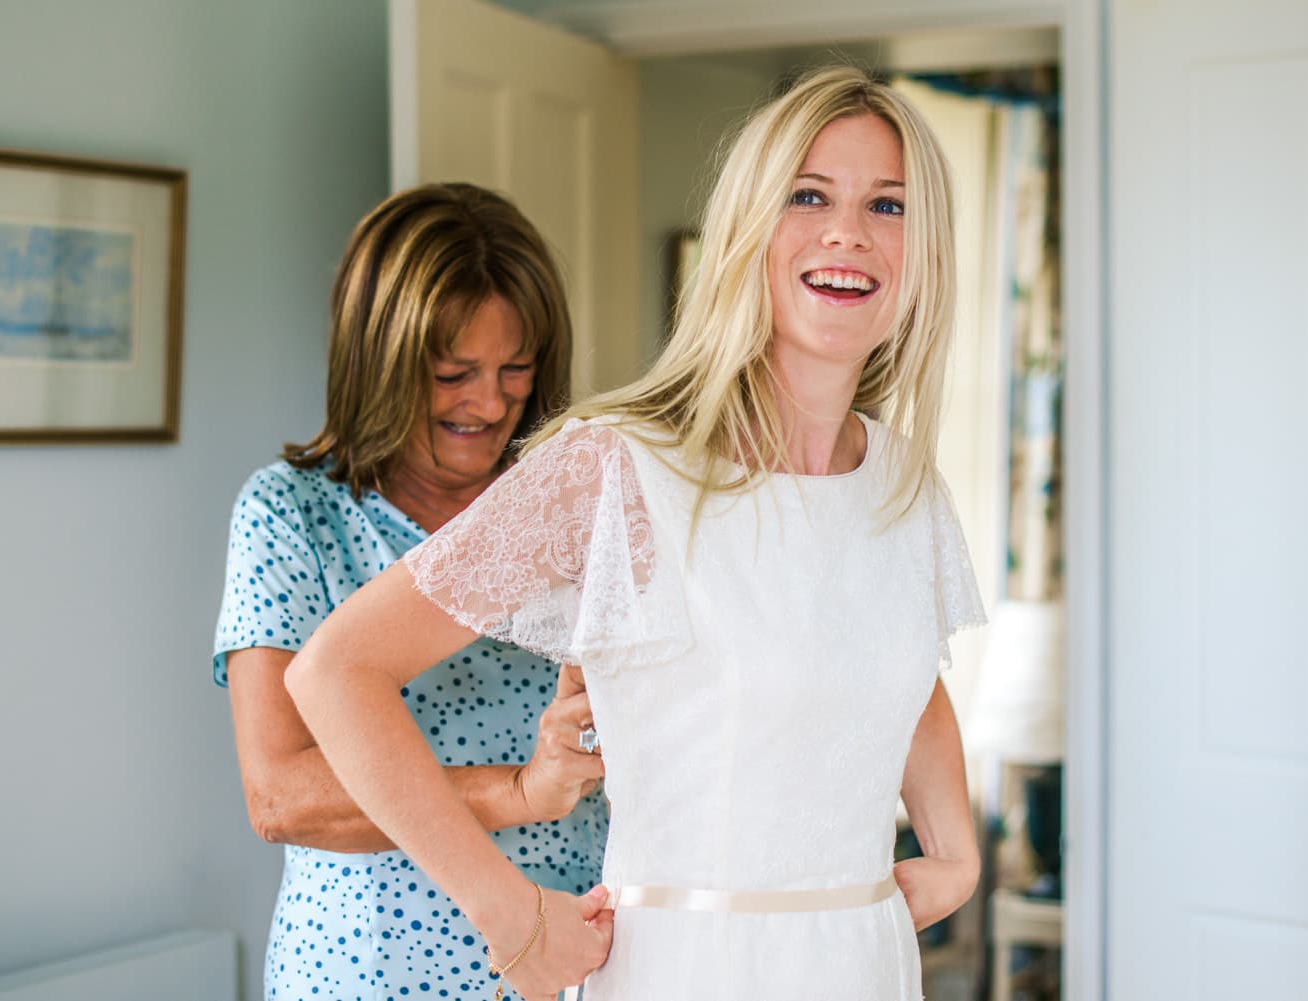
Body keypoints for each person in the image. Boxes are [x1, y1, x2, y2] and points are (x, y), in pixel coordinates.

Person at [283, 67, 986, 1001]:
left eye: (887, 205)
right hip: (685, 969)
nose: (848, 231)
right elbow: (335, 672)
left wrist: (958, 849)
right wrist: (511, 914)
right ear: (746, 229)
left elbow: (896, 667)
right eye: (807, 195)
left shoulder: (905, 484)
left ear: (924, 248)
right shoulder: (616, 468)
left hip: (863, 967)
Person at [212, 183, 609, 1001]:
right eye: (453, 372)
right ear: (379, 362)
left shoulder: (574, 504)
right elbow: (280, 794)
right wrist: (519, 791)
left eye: (516, 368)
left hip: (580, 959)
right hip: (369, 972)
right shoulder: (293, 514)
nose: (491, 402)